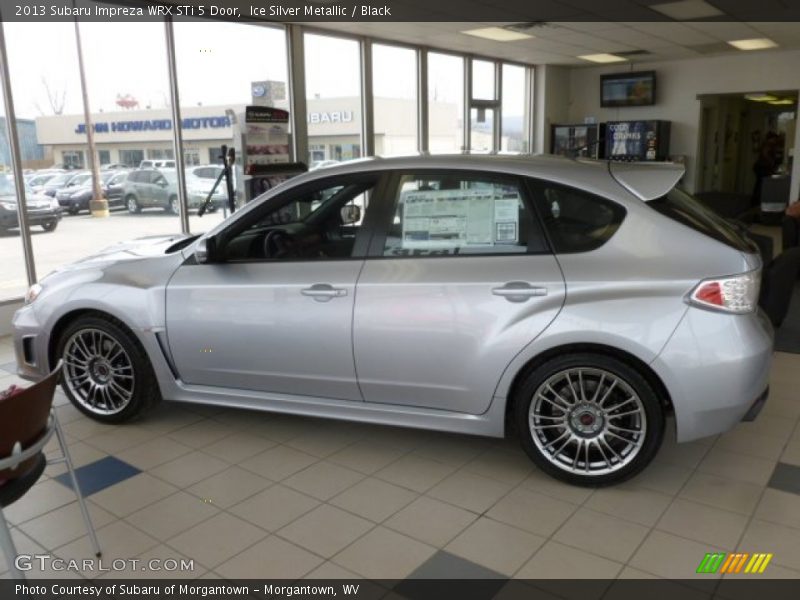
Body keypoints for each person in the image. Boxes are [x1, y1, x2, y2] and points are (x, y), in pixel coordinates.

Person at [752, 132, 780, 207]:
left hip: (760, 166)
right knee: (761, 184)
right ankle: (757, 201)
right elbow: (765, 153)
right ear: (771, 138)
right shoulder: (768, 144)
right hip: (762, 167)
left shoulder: (767, 144)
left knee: (759, 183)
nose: (776, 140)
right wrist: (771, 162)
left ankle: (756, 200)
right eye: (774, 139)